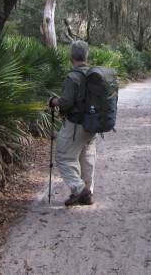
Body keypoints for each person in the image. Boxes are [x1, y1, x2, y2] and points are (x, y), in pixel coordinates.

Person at [48, 40, 96, 207]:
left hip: (76, 124)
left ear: (71, 57)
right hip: (93, 124)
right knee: (86, 158)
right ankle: (86, 194)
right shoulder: (94, 73)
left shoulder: (73, 76)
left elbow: (66, 103)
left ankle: (80, 189)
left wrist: (54, 101)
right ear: (86, 56)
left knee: (63, 157)